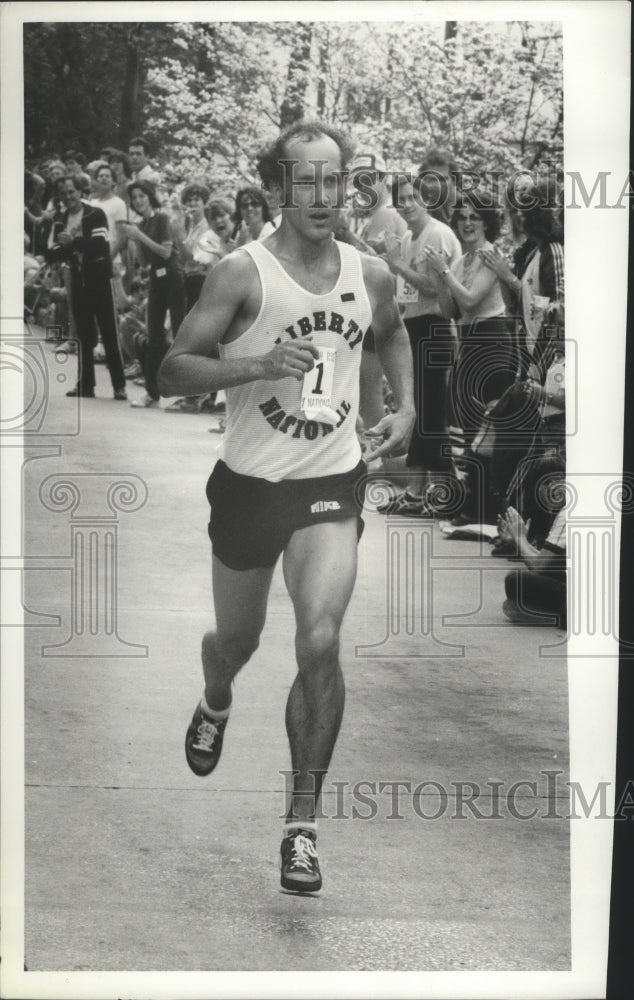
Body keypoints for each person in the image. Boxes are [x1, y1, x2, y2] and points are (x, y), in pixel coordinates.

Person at [158, 119, 415, 893]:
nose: (322, 196)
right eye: (305, 180)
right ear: (277, 187)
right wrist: (261, 363)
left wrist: (405, 411)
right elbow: (171, 370)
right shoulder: (242, 274)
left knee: (321, 641)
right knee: (235, 641)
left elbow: (394, 335)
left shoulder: (369, 274)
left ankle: (301, 826)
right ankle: (216, 694)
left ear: (350, 186)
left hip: (329, 482)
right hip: (247, 485)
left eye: (335, 180)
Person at [425, 189, 515, 521]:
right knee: (465, 425)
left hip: (492, 342)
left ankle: (486, 507)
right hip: (469, 340)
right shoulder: (463, 260)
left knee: (484, 427)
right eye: (461, 217)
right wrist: (439, 274)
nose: (466, 223)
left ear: (487, 221)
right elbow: (449, 309)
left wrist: (444, 271)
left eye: (474, 217)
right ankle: (474, 502)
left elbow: (471, 301)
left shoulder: (491, 255)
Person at [377, 172, 462, 516]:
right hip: (415, 326)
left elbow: (430, 287)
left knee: (431, 416)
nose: (407, 205)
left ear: (427, 199)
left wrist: (395, 264)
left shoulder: (438, 233)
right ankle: (416, 492)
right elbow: (408, 293)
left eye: (413, 198)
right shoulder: (412, 235)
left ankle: (447, 493)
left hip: (435, 328)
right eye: (400, 201)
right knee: (419, 414)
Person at [46, 174, 127, 399]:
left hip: (99, 279)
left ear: (80, 191)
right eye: (64, 194)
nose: (68, 197)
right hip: (77, 279)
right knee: (83, 333)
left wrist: (73, 243)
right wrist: (59, 251)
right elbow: (54, 250)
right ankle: (86, 385)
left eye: (71, 192)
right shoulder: (60, 218)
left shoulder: (95, 213)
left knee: (109, 331)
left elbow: (100, 246)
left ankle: (119, 386)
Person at [345, 152, 408, 432]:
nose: (363, 187)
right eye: (358, 181)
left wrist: (344, 234)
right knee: (364, 382)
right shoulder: (373, 215)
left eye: (369, 179)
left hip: (380, 308)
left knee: (368, 383)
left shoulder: (385, 214)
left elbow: (375, 265)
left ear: (383, 180)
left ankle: (372, 450)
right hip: (375, 306)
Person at [120, 179, 186, 408]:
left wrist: (139, 236)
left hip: (173, 276)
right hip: (156, 280)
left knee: (178, 332)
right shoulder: (144, 224)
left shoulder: (161, 218)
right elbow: (144, 262)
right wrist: (134, 240)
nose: (138, 201)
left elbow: (166, 252)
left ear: (149, 196)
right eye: (134, 198)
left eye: (142, 196)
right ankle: (152, 392)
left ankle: (183, 391)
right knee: (154, 334)